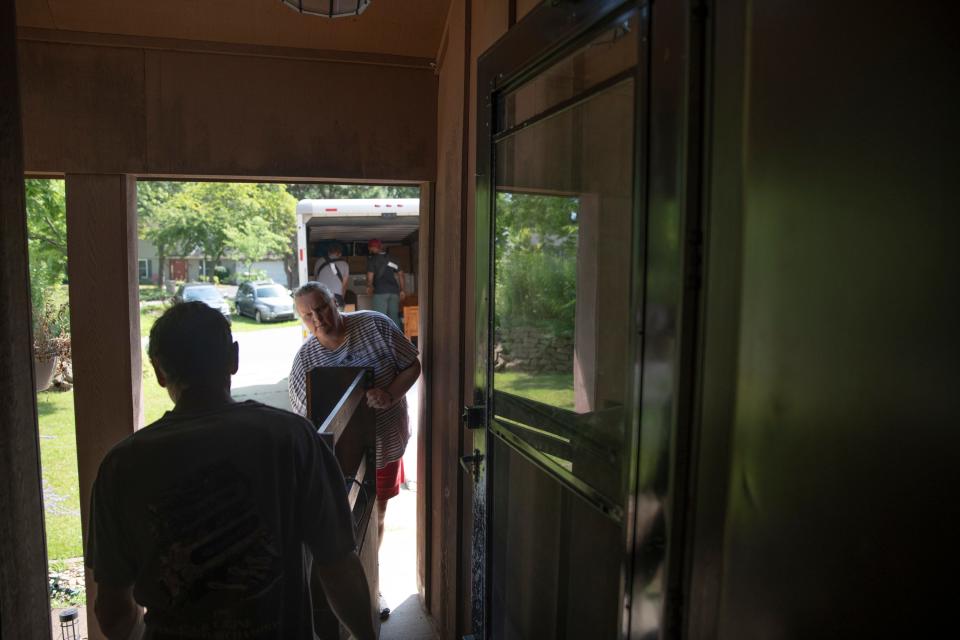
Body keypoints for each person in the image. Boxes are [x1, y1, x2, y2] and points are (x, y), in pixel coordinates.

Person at [86, 302, 375, 640]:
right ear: (233, 358)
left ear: (159, 371)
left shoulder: (122, 464)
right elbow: (338, 565)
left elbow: (113, 610)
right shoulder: (292, 438)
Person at [288, 282, 420, 619]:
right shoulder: (306, 359)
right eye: (308, 315)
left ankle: (373, 584)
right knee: (342, 522)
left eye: (322, 308)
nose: (317, 318)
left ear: (335, 302)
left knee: (377, 513)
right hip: (337, 459)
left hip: (385, 441)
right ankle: (348, 593)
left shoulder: (374, 325)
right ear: (301, 319)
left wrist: (389, 393)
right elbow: (306, 416)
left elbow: (411, 365)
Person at [365, 238, 405, 328]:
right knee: (394, 317)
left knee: (379, 317)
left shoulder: (372, 260)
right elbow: (401, 275)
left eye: (370, 248)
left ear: (372, 248)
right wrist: (402, 290)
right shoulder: (394, 259)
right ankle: (396, 339)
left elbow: (370, 277)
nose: (369, 250)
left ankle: (380, 340)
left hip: (380, 292)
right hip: (394, 292)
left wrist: (369, 287)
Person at [313, 241, 350, 309]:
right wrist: (342, 299)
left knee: (322, 317)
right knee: (337, 318)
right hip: (336, 296)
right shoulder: (345, 264)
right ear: (340, 253)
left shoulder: (319, 261)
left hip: (321, 295)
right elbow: (344, 285)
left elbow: (315, 280)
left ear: (328, 252)